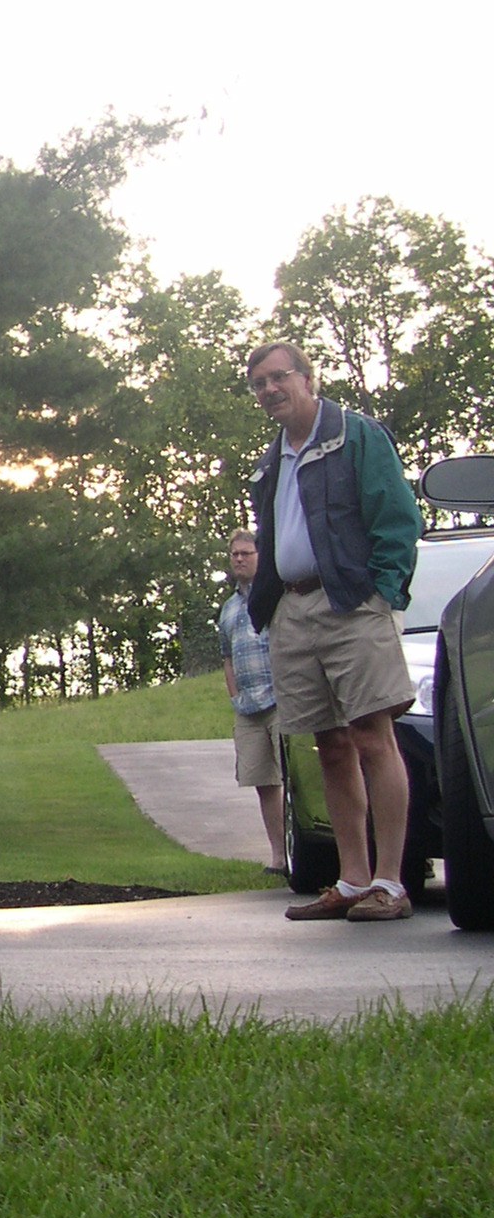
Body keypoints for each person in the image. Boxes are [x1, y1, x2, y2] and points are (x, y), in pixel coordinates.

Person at [243, 341, 420, 921]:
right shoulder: (271, 461)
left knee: (373, 736)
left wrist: (383, 594)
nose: (270, 390)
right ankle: (351, 879)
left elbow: (396, 517)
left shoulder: (355, 435)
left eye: (278, 377)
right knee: (331, 747)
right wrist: (267, 609)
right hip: (293, 611)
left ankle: (390, 884)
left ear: (306, 377)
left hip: (350, 603)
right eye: (259, 384)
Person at [216, 528, 288, 872]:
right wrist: (234, 695)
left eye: (247, 553)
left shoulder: (276, 596)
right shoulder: (228, 609)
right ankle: (279, 857)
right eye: (235, 555)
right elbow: (227, 657)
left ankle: (308, 852)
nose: (240, 559)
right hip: (247, 709)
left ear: (260, 557)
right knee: (264, 782)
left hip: (280, 700)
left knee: (296, 780)